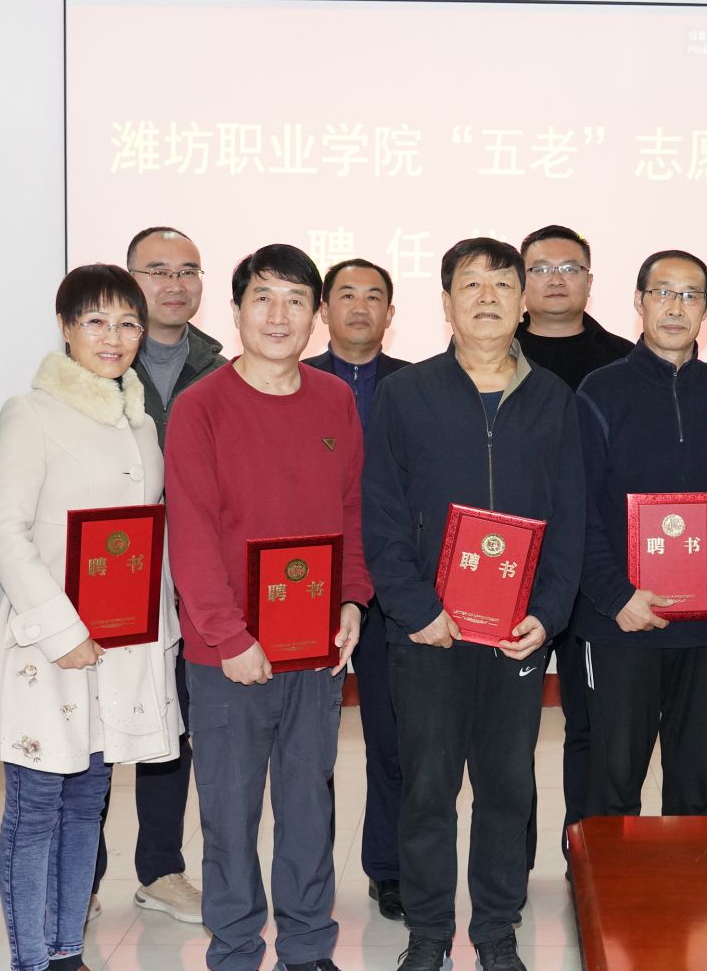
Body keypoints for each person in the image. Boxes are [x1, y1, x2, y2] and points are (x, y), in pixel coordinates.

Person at [0, 265, 184, 971]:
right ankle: (30, 959)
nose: (114, 338)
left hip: (118, 648)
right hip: (46, 647)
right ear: (65, 328)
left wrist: (159, 631)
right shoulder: (30, 413)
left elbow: (150, 538)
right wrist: (64, 629)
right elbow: (4, 533)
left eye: (128, 323)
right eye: (96, 322)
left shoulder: (141, 422)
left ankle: (65, 953)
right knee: (35, 810)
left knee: (87, 805)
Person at [362, 237, 586, 971]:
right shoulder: (405, 395)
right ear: (446, 302)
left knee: (507, 788)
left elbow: (571, 519)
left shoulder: (554, 399)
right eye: (470, 285)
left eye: (502, 284)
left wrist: (547, 614)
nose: (487, 297)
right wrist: (414, 609)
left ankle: (496, 931)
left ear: (523, 304)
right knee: (426, 789)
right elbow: (381, 515)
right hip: (428, 632)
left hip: (517, 633)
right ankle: (429, 934)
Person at [164, 245, 368, 971]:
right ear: (237, 310)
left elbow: (350, 510)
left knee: (309, 806)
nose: (279, 316)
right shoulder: (200, 407)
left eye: (295, 300)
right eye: (263, 298)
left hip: (315, 648)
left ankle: (308, 948)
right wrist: (229, 636)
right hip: (227, 656)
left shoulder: (335, 400)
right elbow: (190, 532)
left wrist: (352, 599)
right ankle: (235, 949)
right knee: (229, 815)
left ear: (317, 316)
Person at [575, 250, 707, 819]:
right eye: (663, 292)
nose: (676, 307)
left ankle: (690, 880)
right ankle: (611, 880)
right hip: (621, 621)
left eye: (690, 295)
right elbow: (579, 508)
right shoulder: (599, 392)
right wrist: (616, 597)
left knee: (701, 777)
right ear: (639, 301)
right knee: (614, 778)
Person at [90, 224, 225, 923]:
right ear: (129, 279)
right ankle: (81, 879)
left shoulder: (221, 367)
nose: (175, 284)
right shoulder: (97, 363)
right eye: (158, 271)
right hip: (109, 580)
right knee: (92, 731)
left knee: (171, 729)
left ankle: (161, 870)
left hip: (191, 581)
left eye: (188, 271)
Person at [300, 257, 412, 922]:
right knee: (309, 746)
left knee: (393, 738)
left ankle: (389, 869)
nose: (361, 306)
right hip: (313, 586)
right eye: (346, 295)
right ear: (324, 310)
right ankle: (309, 876)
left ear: (391, 314)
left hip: (394, 587)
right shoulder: (294, 380)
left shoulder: (418, 386)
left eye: (375, 296)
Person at [513, 223, 629, 863]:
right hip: (511, 572)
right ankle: (514, 859)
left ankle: (587, 857)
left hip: (595, 573)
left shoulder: (620, 363)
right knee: (511, 731)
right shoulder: (490, 356)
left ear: (589, 279)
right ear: (520, 282)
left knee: (593, 725)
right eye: (540, 268)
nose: (555, 279)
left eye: (569, 267)